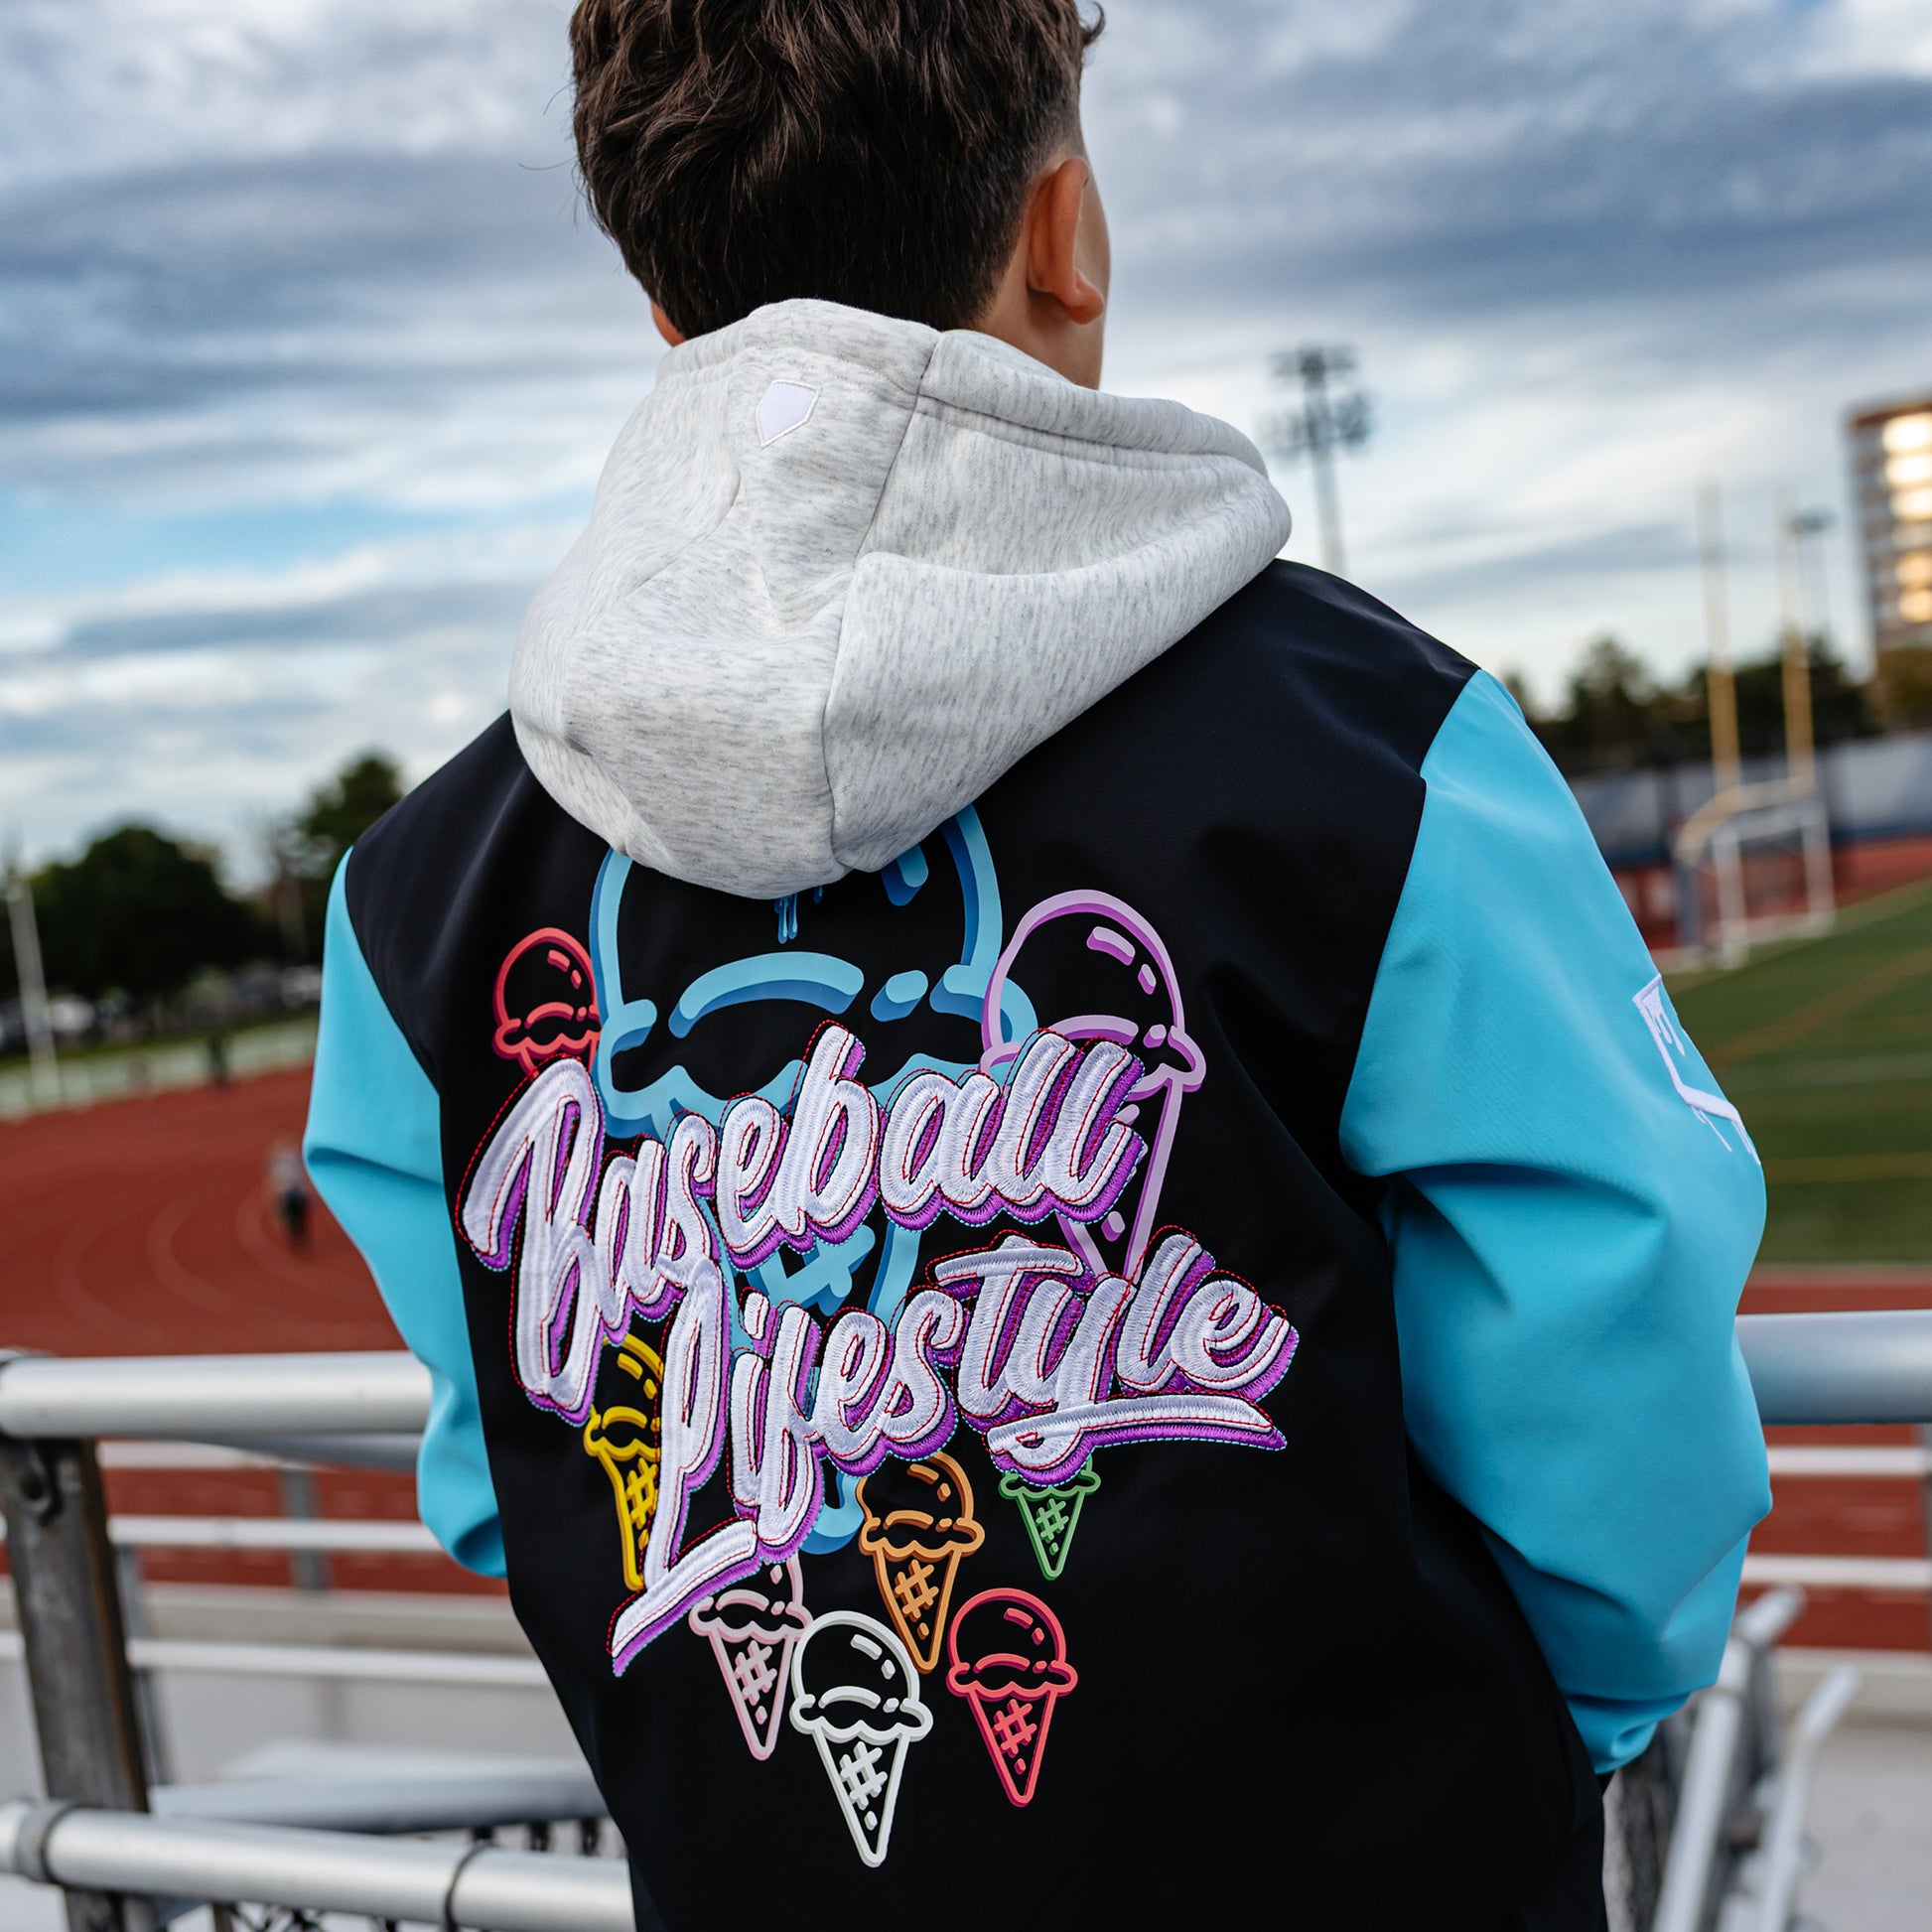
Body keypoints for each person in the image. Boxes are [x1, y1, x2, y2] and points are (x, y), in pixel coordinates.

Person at [303, 6, 1769, 1928]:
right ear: (1066, 230)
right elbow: (1616, 1343)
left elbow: (526, 1465)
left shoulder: (413, 897)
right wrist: (1534, 1721)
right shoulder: (1377, 750)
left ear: (666, 315)